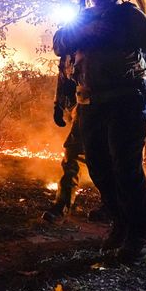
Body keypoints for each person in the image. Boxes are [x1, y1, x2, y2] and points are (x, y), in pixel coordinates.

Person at [52, 0, 146, 263]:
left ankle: (140, 232)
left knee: (126, 167)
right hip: (90, 104)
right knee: (99, 167)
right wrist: (61, 100)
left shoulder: (129, 16)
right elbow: (61, 50)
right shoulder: (80, 19)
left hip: (127, 99)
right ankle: (121, 222)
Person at [42, 54, 109, 224]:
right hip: (85, 105)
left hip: (116, 104)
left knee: (112, 157)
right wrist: (58, 105)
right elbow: (64, 73)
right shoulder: (71, 44)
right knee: (73, 154)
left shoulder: (113, 38)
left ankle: (113, 207)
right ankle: (62, 205)